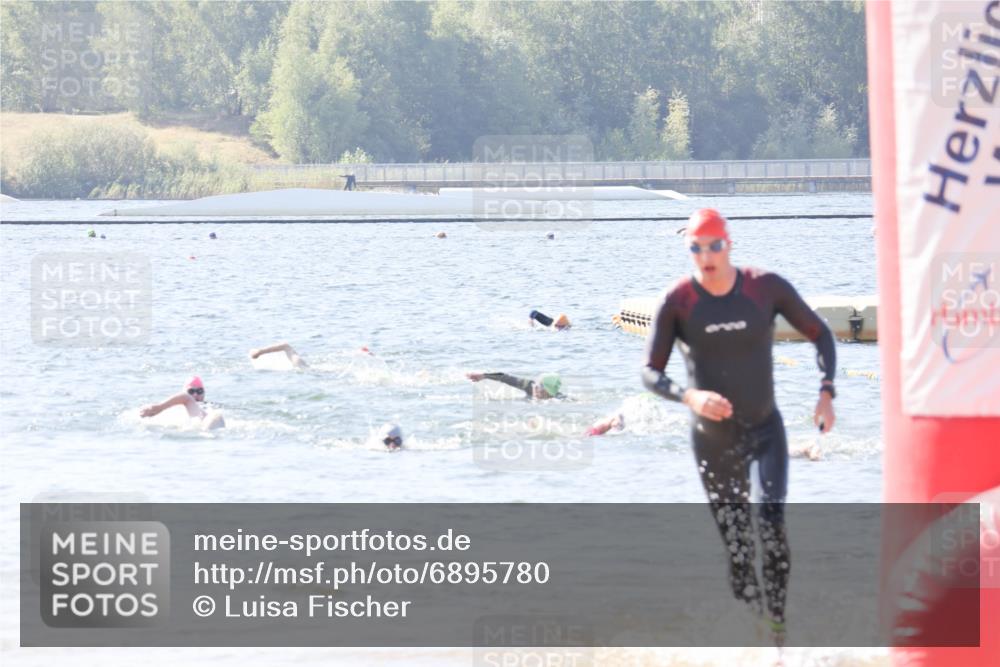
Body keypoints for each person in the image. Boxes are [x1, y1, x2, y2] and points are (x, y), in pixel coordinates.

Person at [642, 207, 836, 645]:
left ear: (729, 245)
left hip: (765, 432)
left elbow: (820, 334)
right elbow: (650, 372)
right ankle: (752, 627)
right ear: (688, 250)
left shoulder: (764, 288)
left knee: (771, 522)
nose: (706, 255)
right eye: (696, 247)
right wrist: (688, 396)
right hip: (712, 442)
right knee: (739, 552)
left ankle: (779, 633)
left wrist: (826, 392)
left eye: (714, 245)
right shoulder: (678, 301)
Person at [139, 376, 224, 428]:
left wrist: (159, 407)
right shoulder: (181, 407)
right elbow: (185, 398)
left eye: (199, 391)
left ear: (204, 392)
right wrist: (159, 407)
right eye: (191, 391)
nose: (195, 395)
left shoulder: (212, 406)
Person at [465, 372, 562, 399]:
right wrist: (484, 376)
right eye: (536, 385)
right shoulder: (529, 386)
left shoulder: (558, 398)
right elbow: (505, 377)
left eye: (540, 387)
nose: (536, 388)